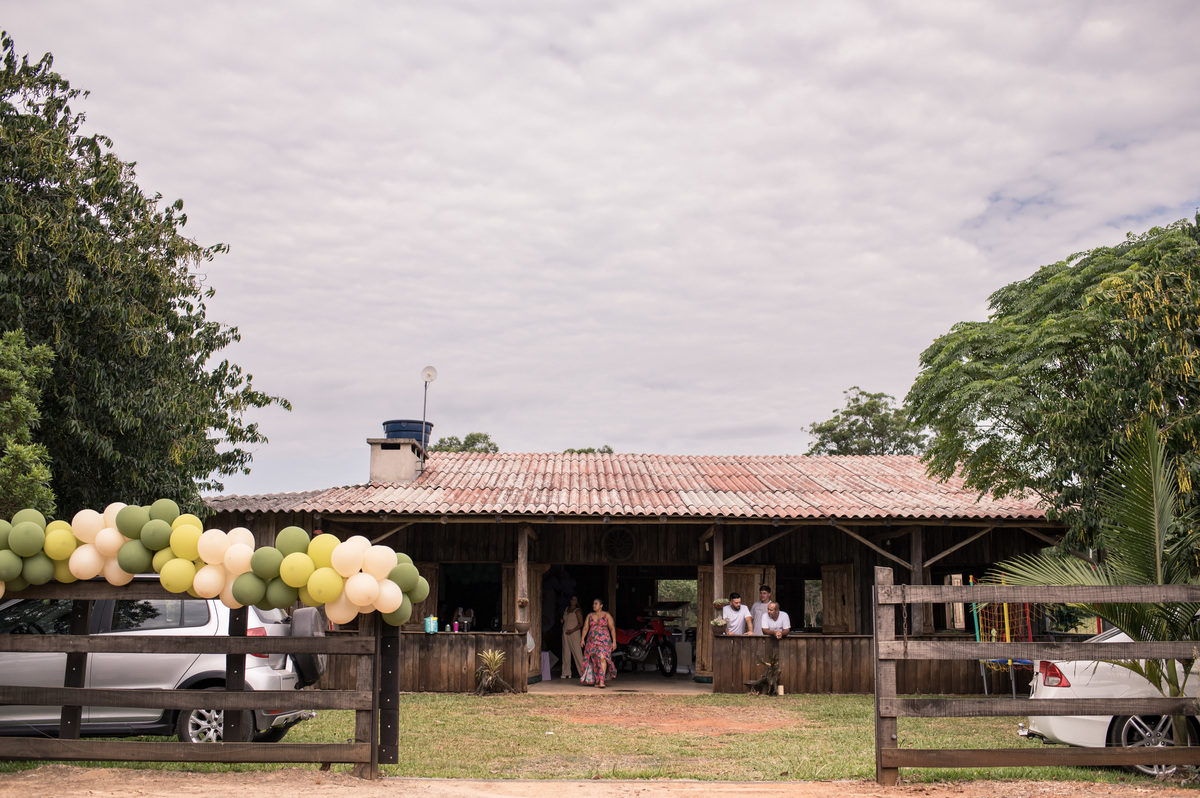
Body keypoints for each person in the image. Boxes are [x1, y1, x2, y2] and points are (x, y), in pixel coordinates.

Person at [580, 598, 617, 688]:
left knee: (602, 658)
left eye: (596, 604)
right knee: (595, 661)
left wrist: (614, 641)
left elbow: (612, 628)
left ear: (601, 605)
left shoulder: (607, 615)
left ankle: (601, 681)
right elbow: (585, 628)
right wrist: (582, 639)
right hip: (592, 642)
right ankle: (597, 680)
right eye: (593, 604)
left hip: (604, 641)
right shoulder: (589, 616)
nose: (594, 605)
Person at [560, 595, 585, 679]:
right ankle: (566, 672)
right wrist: (563, 620)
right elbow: (565, 620)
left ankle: (583, 673)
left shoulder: (577, 611)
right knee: (566, 653)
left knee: (577, 653)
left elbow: (581, 624)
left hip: (574, 633)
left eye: (575, 599)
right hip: (565, 633)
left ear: (577, 601)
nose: (573, 601)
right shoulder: (567, 609)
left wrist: (572, 630)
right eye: (572, 599)